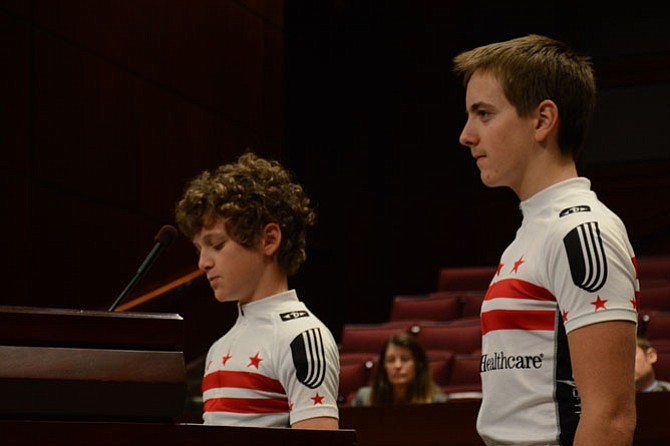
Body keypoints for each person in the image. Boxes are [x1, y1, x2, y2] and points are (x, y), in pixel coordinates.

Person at [453, 34, 639, 445]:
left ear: (542, 120)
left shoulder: (580, 231)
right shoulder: (532, 231)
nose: (466, 135)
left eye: (483, 113)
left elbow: (610, 418)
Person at [174, 152, 339, 429]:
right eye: (199, 249)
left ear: (269, 239)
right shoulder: (218, 348)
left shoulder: (302, 338)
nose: (203, 262)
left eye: (216, 245)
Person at [351, 332, 448, 406]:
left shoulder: (437, 401)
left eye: (405, 359)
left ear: (419, 365)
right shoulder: (364, 399)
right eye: (391, 360)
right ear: (383, 367)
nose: (397, 366)